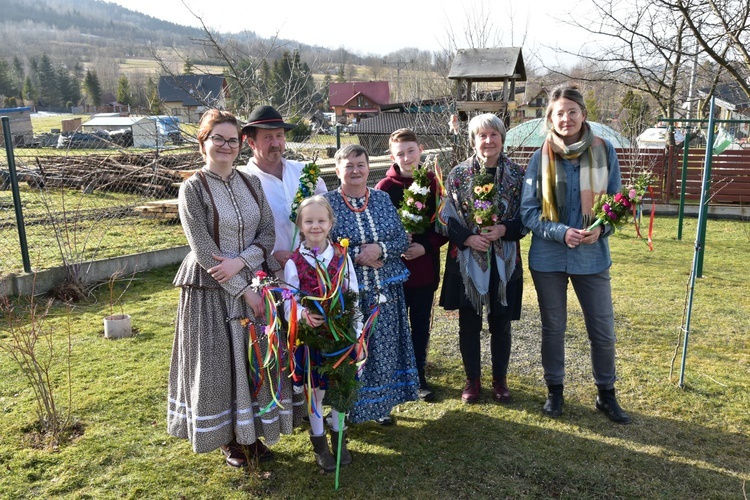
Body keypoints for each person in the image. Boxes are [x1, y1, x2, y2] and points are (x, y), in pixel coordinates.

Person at [167, 109, 295, 468]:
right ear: (203, 142)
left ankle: (250, 434)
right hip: (210, 291)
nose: (225, 146)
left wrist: (243, 263)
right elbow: (204, 249)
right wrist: (244, 289)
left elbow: (267, 234)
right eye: (217, 138)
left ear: (241, 145)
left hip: (251, 277)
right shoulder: (192, 188)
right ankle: (229, 441)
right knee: (220, 365)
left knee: (253, 362)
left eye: (232, 140)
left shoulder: (250, 183)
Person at [519, 84, 631, 424]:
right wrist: (560, 231)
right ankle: (554, 392)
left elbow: (618, 203)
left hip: (592, 257)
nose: (565, 118)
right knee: (553, 328)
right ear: (549, 119)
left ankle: (606, 394)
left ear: (583, 114)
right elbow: (528, 211)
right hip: (548, 259)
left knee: (602, 328)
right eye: (558, 113)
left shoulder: (604, 150)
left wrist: (603, 228)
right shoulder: (540, 157)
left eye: (571, 111)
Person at [324, 144, 419, 425]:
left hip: (384, 291)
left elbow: (401, 240)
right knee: (349, 352)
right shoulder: (326, 202)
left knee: (382, 350)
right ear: (338, 169)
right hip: (347, 294)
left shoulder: (381, 199)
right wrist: (357, 255)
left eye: (360, 164)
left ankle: (379, 408)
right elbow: (320, 245)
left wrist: (378, 249)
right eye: (348, 165)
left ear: (368, 168)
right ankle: (343, 410)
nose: (355, 170)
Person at [438, 113, 525, 404]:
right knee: (469, 322)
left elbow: (528, 217)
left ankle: (500, 380)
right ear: (473, 140)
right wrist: (467, 237)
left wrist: (503, 229)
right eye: (481, 136)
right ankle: (472, 380)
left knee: (501, 322)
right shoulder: (458, 174)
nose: (488, 141)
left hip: (505, 257)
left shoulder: (518, 175)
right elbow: (445, 217)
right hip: (466, 258)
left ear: (502, 138)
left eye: (493, 135)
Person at [283, 195, 362, 472]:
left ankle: (339, 439)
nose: (315, 226)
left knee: (340, 390)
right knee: (314, 392)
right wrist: (302, 315)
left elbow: (353, 293)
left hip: (340, 339)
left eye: (321, 220)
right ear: (300, 225)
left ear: (330, 223)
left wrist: (358, 332)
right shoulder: (294, 262)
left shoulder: (341, 256)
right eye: (309, 221)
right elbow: (288, 299)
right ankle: (319, 445)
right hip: (311, 340)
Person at [375, 128, 447, 401]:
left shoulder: (433, 183)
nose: (406, 157)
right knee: (392, 325)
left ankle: (419, 375)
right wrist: (394, 244)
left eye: (411, 151)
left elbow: (444, 226)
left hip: (424, 269)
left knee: (419, 324)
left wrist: (425, 246)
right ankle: (393, 375)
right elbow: (376, 230)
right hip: (392, 271)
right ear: (392, 156)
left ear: (421, 150)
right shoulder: (384, 189)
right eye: (400, 153)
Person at [239, 105, 327, 270]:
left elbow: (327, 213)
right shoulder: (243, 182)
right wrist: (270, 256)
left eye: (279, 135)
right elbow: (240, 234)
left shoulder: (304, 172)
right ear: (251, 143)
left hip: (312, 269)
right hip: (270, 276)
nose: (275, 143)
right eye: (267, 137)